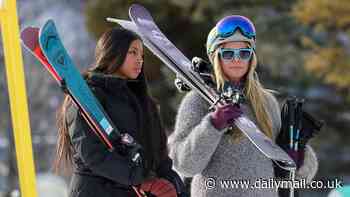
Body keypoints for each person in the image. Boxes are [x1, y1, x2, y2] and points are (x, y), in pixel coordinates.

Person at [168, 15, 318, 196]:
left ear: (251, 58)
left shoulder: (265, 103)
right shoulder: (198, 100)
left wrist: (298, 156)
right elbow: (184, 165)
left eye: (244, 53)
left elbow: (295, 178)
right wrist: (213, 125)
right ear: (216, 57)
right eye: (228, 53)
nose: (237, 60)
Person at [55, 28, 186, 197]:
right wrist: (141, 179)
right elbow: (93, 154)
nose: (140, 60)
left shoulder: (145, 102)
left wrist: (173, 184)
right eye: (133, 52)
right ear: (112, 53)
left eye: (142, 55)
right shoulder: (87, 97)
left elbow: (158, 155)